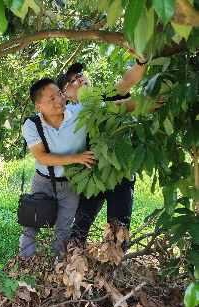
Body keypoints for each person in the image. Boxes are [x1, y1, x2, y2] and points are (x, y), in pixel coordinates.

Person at [57, 52, 148, 248]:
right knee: (79, 229)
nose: (79, 79)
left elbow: (127, 80)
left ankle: (113, 272)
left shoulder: (104, 97)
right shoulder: (67, 116)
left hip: (120, 175)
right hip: (92, 176)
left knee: (118, 233)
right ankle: (71, 268)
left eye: (80, 74)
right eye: (72, 80)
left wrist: (141, 61)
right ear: (64, 95)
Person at [20, 79, 96, 256]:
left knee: (62, 230)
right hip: (43, 181)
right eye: (52, 98)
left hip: (71, 183)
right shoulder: (32, 125)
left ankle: (57, 269)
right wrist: (77, 158)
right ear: (39, 107)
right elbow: (42, 157)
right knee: (31, 226)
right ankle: (24, 267)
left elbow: (108, 104)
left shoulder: (78, 112)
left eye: (59, 94)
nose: (59, 100)